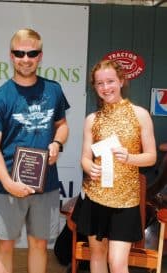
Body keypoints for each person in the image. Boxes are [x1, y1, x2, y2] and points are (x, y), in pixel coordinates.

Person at [0, 28, 70, 273]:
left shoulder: (54, 90)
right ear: (11, 55)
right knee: (4, 245)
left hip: (46, 184)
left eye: (32, 53)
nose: (26, 59)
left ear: (40, 56)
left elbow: (62, 126)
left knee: (39, 244)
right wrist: (8, 183)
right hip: (8, 186)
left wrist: (57, 144)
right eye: (20, 53)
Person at [71, 59, 157, 273]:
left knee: (118, 263)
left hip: (126, 202)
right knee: (97, 256)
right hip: (95, 199)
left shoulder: (140, 115)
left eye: (110, 81)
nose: (105, 87)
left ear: (121, 81)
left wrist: (129, 158)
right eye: (100, 83)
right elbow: (84, 157)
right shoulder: (92, 119)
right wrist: (89, 166)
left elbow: (151, 157)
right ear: (95, 87)